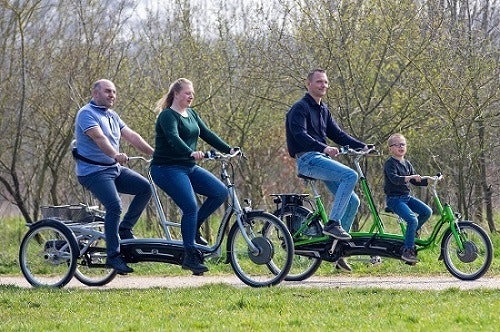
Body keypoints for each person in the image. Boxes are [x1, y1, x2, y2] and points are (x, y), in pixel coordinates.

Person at [286, 68, 370, 272]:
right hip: (307, 158)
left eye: (325, 82)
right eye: (318, 82)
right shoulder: (299, 108)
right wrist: (323, 147)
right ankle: (332, 224)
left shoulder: (324, 110)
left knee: (353, 201)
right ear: (308, 84)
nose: (323, 85)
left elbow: (338, 134)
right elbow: (300, 135)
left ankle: (339, 250)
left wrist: (363, 146)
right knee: (350, 175)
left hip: (320, 158)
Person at [150, 78, 236, 275]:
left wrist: (229, 149)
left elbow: (207, 134)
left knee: (220, 192)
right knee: (190, 206)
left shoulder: (192, 114)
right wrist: (190, 151)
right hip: (166, 168)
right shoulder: (167, 116)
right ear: (177, 94)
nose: (191, 96)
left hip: (188, 167)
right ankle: (189, 255)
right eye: (188, 93)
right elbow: (173, 138)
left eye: (192, 93)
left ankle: (194, 226)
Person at [74, 79, 154, 275]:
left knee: (145, 188)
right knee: (114, 205)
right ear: (95, 94)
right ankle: (113, 255)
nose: (112, 95)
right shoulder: (86, 113)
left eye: (114, 92)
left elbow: (132, 136)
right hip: (93, 172)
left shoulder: (112, 116)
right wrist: (115, 155)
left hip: (113, 169)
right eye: (108, 91)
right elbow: (100, 138)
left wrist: (154, 153)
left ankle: (124, 229)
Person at [383, 133, 432, 264]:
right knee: (412, 219)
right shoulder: (390, 163)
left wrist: (428, 180)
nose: (401, 147)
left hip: (406, 197)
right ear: (390, 149)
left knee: (427, 212)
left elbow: (416, 181)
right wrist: (410, 177)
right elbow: (394, 179)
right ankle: (407, 250)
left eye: (403, 144)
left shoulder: (407, 163)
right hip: (394, 199)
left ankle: (412, 233)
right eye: (397, 145)